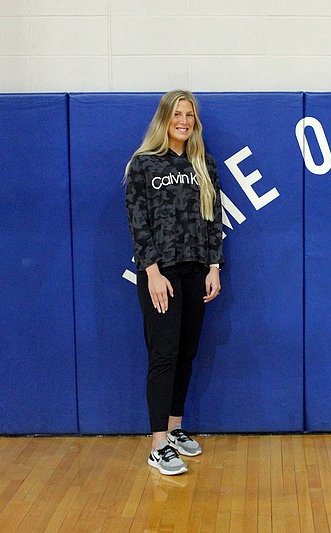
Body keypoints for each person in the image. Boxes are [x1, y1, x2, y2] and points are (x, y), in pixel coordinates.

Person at [125, 90, 224, 476]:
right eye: (177, 114)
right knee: (163, 355)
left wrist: (214, 267)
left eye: (190, 115)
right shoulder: (143, 165)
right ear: (164, 118)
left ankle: (175, 427)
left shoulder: (204, 164)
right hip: (160, 274)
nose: (184, 121)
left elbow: (213, 220)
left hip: (196, 270)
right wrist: (151, 272)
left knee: (186, 352)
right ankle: (157, 444)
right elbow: (138, 223)